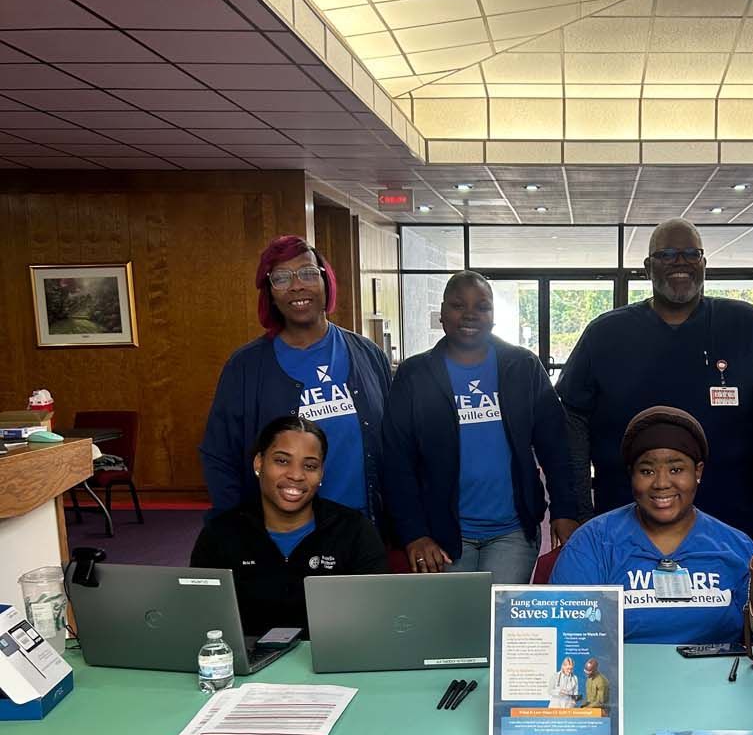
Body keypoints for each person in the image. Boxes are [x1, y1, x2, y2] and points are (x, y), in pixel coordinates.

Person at [556, 218, 753, 541]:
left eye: (690, 254)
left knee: (738, 593)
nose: (680, 263)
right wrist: (576, 508)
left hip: (733, 517)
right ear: (647, 267)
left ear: (704, 264)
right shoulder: (606, 334)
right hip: (624, 520)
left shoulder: (748, 325)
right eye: (667, 255)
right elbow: (572, 420)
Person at [381, 271, 578, 584]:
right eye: (458, 305)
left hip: (512, 531)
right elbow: (396, 460)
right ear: (443, 314)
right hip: (441, 533)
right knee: (455, 627)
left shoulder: (522, 366)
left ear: (493, 316)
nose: (470, 314)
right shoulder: (415, 374)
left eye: (482, 306)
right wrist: (414, 534)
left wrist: (565, 510)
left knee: (497, 622)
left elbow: (555, 445)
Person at [200, 235, 391, 521]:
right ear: (270, 293)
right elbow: (219, 455)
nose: (297, 285)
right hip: (282, 534)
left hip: (365, 529)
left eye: (308, 273)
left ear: (326, 281)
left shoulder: (368, 355)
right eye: (281, 278)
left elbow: (396, 445)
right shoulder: (245, 367)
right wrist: (234, 528)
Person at [551, 406, 753, 645]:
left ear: (697, 472)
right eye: (647, 471)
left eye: (676, 469)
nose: (661, 483)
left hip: (719, 680)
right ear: (632, 475)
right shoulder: (593, 543)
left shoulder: (738, 549)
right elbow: (566, 635)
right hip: (623, 680)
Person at [190, 415, 386, 637]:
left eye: (310, 465)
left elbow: (375, 619)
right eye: (282, 461)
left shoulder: (355, 531)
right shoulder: (220, 533)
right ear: (259, 463)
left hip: (332, 664)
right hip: (244, 667)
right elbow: (200, 619)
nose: (296, 475)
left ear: (321, 474)